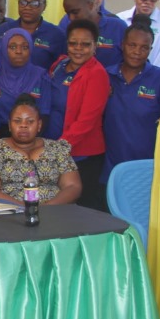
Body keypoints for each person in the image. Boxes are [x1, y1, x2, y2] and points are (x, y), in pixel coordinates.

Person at [45, 19, 110, 211]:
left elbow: (86, 121)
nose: (78, 49)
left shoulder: (97, 74)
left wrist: (58, 149)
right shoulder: (59, 65)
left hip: (82, 156)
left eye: (85, 44)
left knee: (81, 211)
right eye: (73, 43)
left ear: (95, 46)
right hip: (52, 149)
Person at [0, 94, 82, 206]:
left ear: (39, 125)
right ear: (10, 125)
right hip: (7, 215)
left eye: (30, 121)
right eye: (17, 121)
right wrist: (27, 210)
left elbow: (73, 187)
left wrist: (46, 209)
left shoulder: (57, 149)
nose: (23, 125)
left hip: (54, 214)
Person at [102, 22, 160, 183]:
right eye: (132, 45)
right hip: (110, 167)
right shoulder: (106, 75)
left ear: (150, 50)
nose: (137, 52)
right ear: (122, 45)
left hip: (146, 167)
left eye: (144, 47)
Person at [0, 29, 53, 136]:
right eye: (12, 47)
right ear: (3, 50)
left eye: (25, 47)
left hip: (33, 137)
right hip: (0, 138)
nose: (19, 51)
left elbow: (44, 114)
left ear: (30, 50)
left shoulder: (41, 76)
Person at [0, 0, 66, 71]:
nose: (27, 7)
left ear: (44, 6)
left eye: (34, 4)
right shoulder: (3, 29)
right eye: (23, 2)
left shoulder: (56, 34)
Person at [61, 0, 126, 67]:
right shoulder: (66, 26)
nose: (71, 18)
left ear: (90, 5)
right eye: (68, 14)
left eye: (75, 12)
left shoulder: (118, 27)